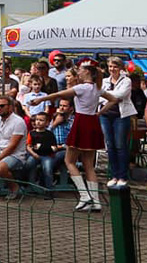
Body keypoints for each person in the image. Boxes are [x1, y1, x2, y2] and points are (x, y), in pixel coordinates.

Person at [32, 61, 119, 211]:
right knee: (88, 165)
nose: (78, 72)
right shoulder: (97, 88)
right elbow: (114, 100)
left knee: (69, 161)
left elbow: (60, 94)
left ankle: (85, 196)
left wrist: (41, 99)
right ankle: (95, 200)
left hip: (81, 122)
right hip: (92, 122)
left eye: (81, 70)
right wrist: (99, 112)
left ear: (88, 73)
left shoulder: (81, 87)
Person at [100, 56, 137, 187]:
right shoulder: (104, 81)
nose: (112, 69)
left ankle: (122, 176)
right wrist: (110, 95)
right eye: (110, 66)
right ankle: (114, 175)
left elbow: (121, 95)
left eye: (115, 66)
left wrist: (107, 95)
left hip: (121, 116)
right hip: (105, 115)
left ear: (120, 68)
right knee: (110, 146)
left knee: (120, 146)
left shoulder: (126, 80)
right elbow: (99, 96)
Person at [24, 112, 57, 192]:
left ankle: (49, 190)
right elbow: (28, 146)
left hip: (46, 156)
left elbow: (54, 146)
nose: (38, 122)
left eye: (41, 120)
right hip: (34, 154)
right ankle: (28, 183)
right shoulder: (32, 133)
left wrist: (52, 149)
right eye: (37, 120)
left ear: (47, 123)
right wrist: (33, 154)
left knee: (48, 169)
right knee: (28, 164)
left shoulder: (50, 134)